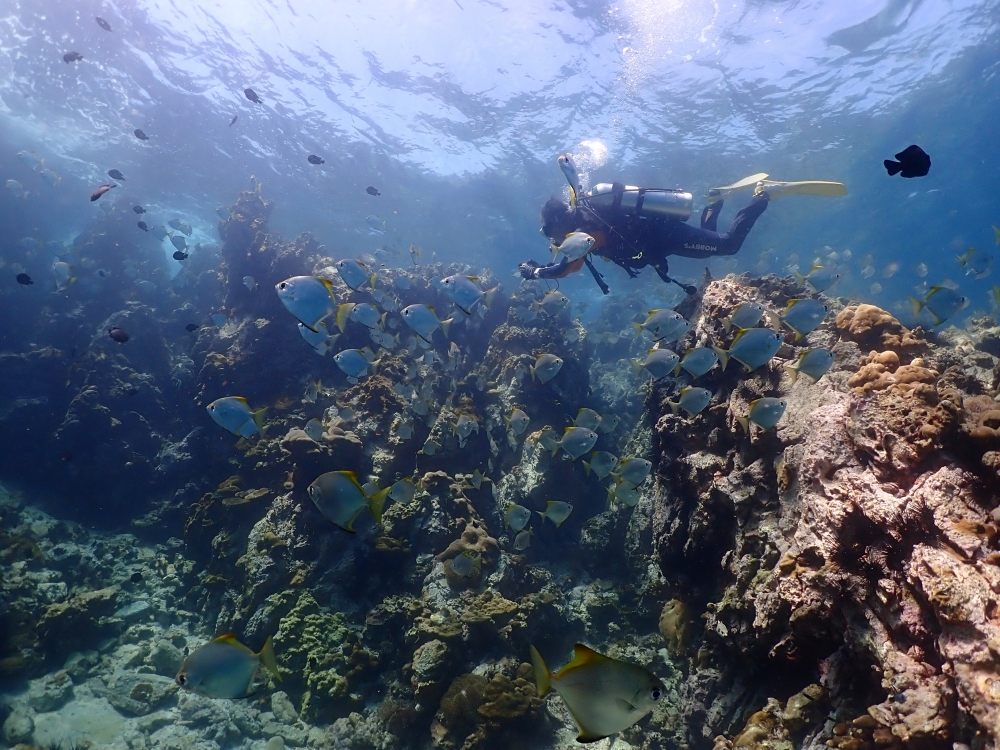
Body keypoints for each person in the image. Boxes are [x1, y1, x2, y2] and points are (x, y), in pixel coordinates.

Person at [519, 180, 770, 295]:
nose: (549, 237)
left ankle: (762, 195)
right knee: (706, 250)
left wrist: (537, 273)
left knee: (728, 245)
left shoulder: (585, 229)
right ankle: (714, 204)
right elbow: (571, 266)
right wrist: (543, 268)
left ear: (558, 222)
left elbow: (568, 268)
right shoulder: (586, 221)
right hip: (660, 241)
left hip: (665, 235)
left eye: (547, 231)